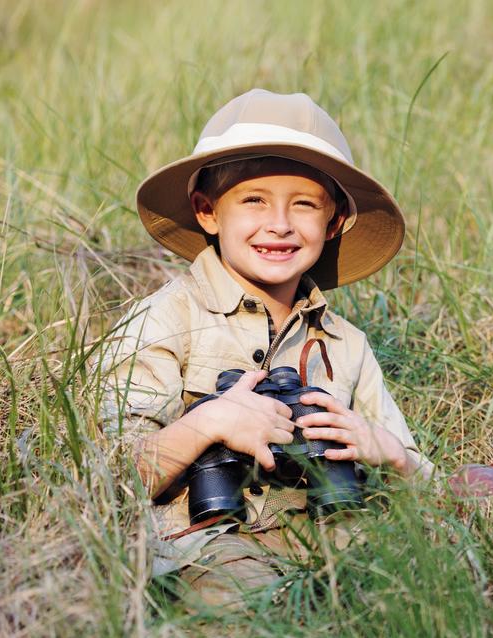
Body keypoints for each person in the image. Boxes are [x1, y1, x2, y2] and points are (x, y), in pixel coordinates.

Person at [100, 88, 433, 608]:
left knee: (426, 590)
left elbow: (426, 488)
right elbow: (110, 479)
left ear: (335, 221)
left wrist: (385, 450)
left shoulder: (347, 345)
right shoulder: (165, 319)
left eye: (304, 205)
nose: (279, 224)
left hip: (332, 539)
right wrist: (210, 424)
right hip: (207, 543)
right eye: (253, 200)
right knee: (248, 610)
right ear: (207, 212)